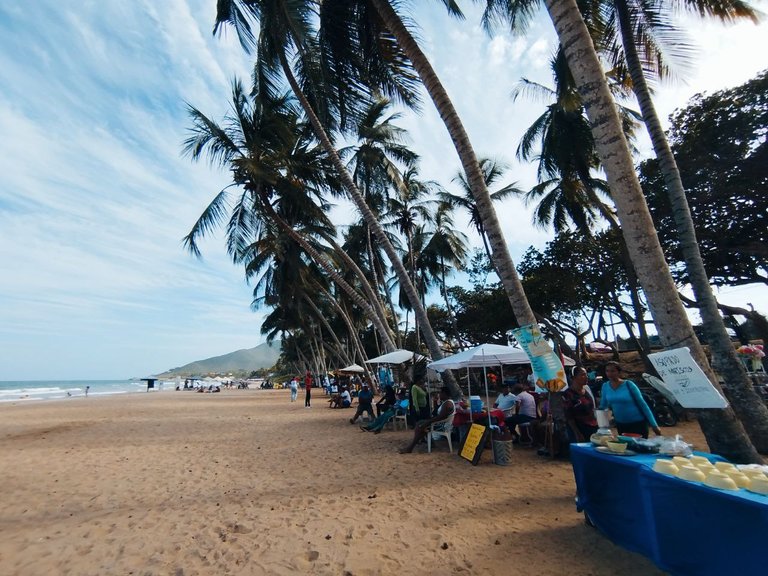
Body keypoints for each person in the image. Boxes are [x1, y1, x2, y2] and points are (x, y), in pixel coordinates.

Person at [599, 361, 661, 439]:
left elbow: (643, 405)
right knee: (626, 449)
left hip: (637, 424)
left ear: (619, 372)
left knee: (639, 449)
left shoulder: (629, 385)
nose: (609, 373)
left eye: (612, 371)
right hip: (621, 425)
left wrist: (654, 425)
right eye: (607, 371)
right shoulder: (605, 386)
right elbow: (603, 405)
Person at [399, 387, 456, 454]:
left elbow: (440, 417)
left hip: (442, 426)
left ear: (444, 394)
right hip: (441, 424)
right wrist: (435, 402)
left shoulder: (448, 404)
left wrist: (428, 422)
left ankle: (410, 448)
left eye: (440, 393)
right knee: (420, 424)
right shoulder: (446, 402)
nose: (439, 395)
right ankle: (426, 443)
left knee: (420, 426)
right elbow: (437, 414)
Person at [563, 367, 598, 442]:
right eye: (583, 375)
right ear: (573, 378)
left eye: (586, 375)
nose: (586, 377)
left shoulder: (587, 389)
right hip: (579, 429)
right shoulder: (568, 394)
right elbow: (569, 416)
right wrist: (577, 433)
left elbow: (593, 407)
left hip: (592, 427)